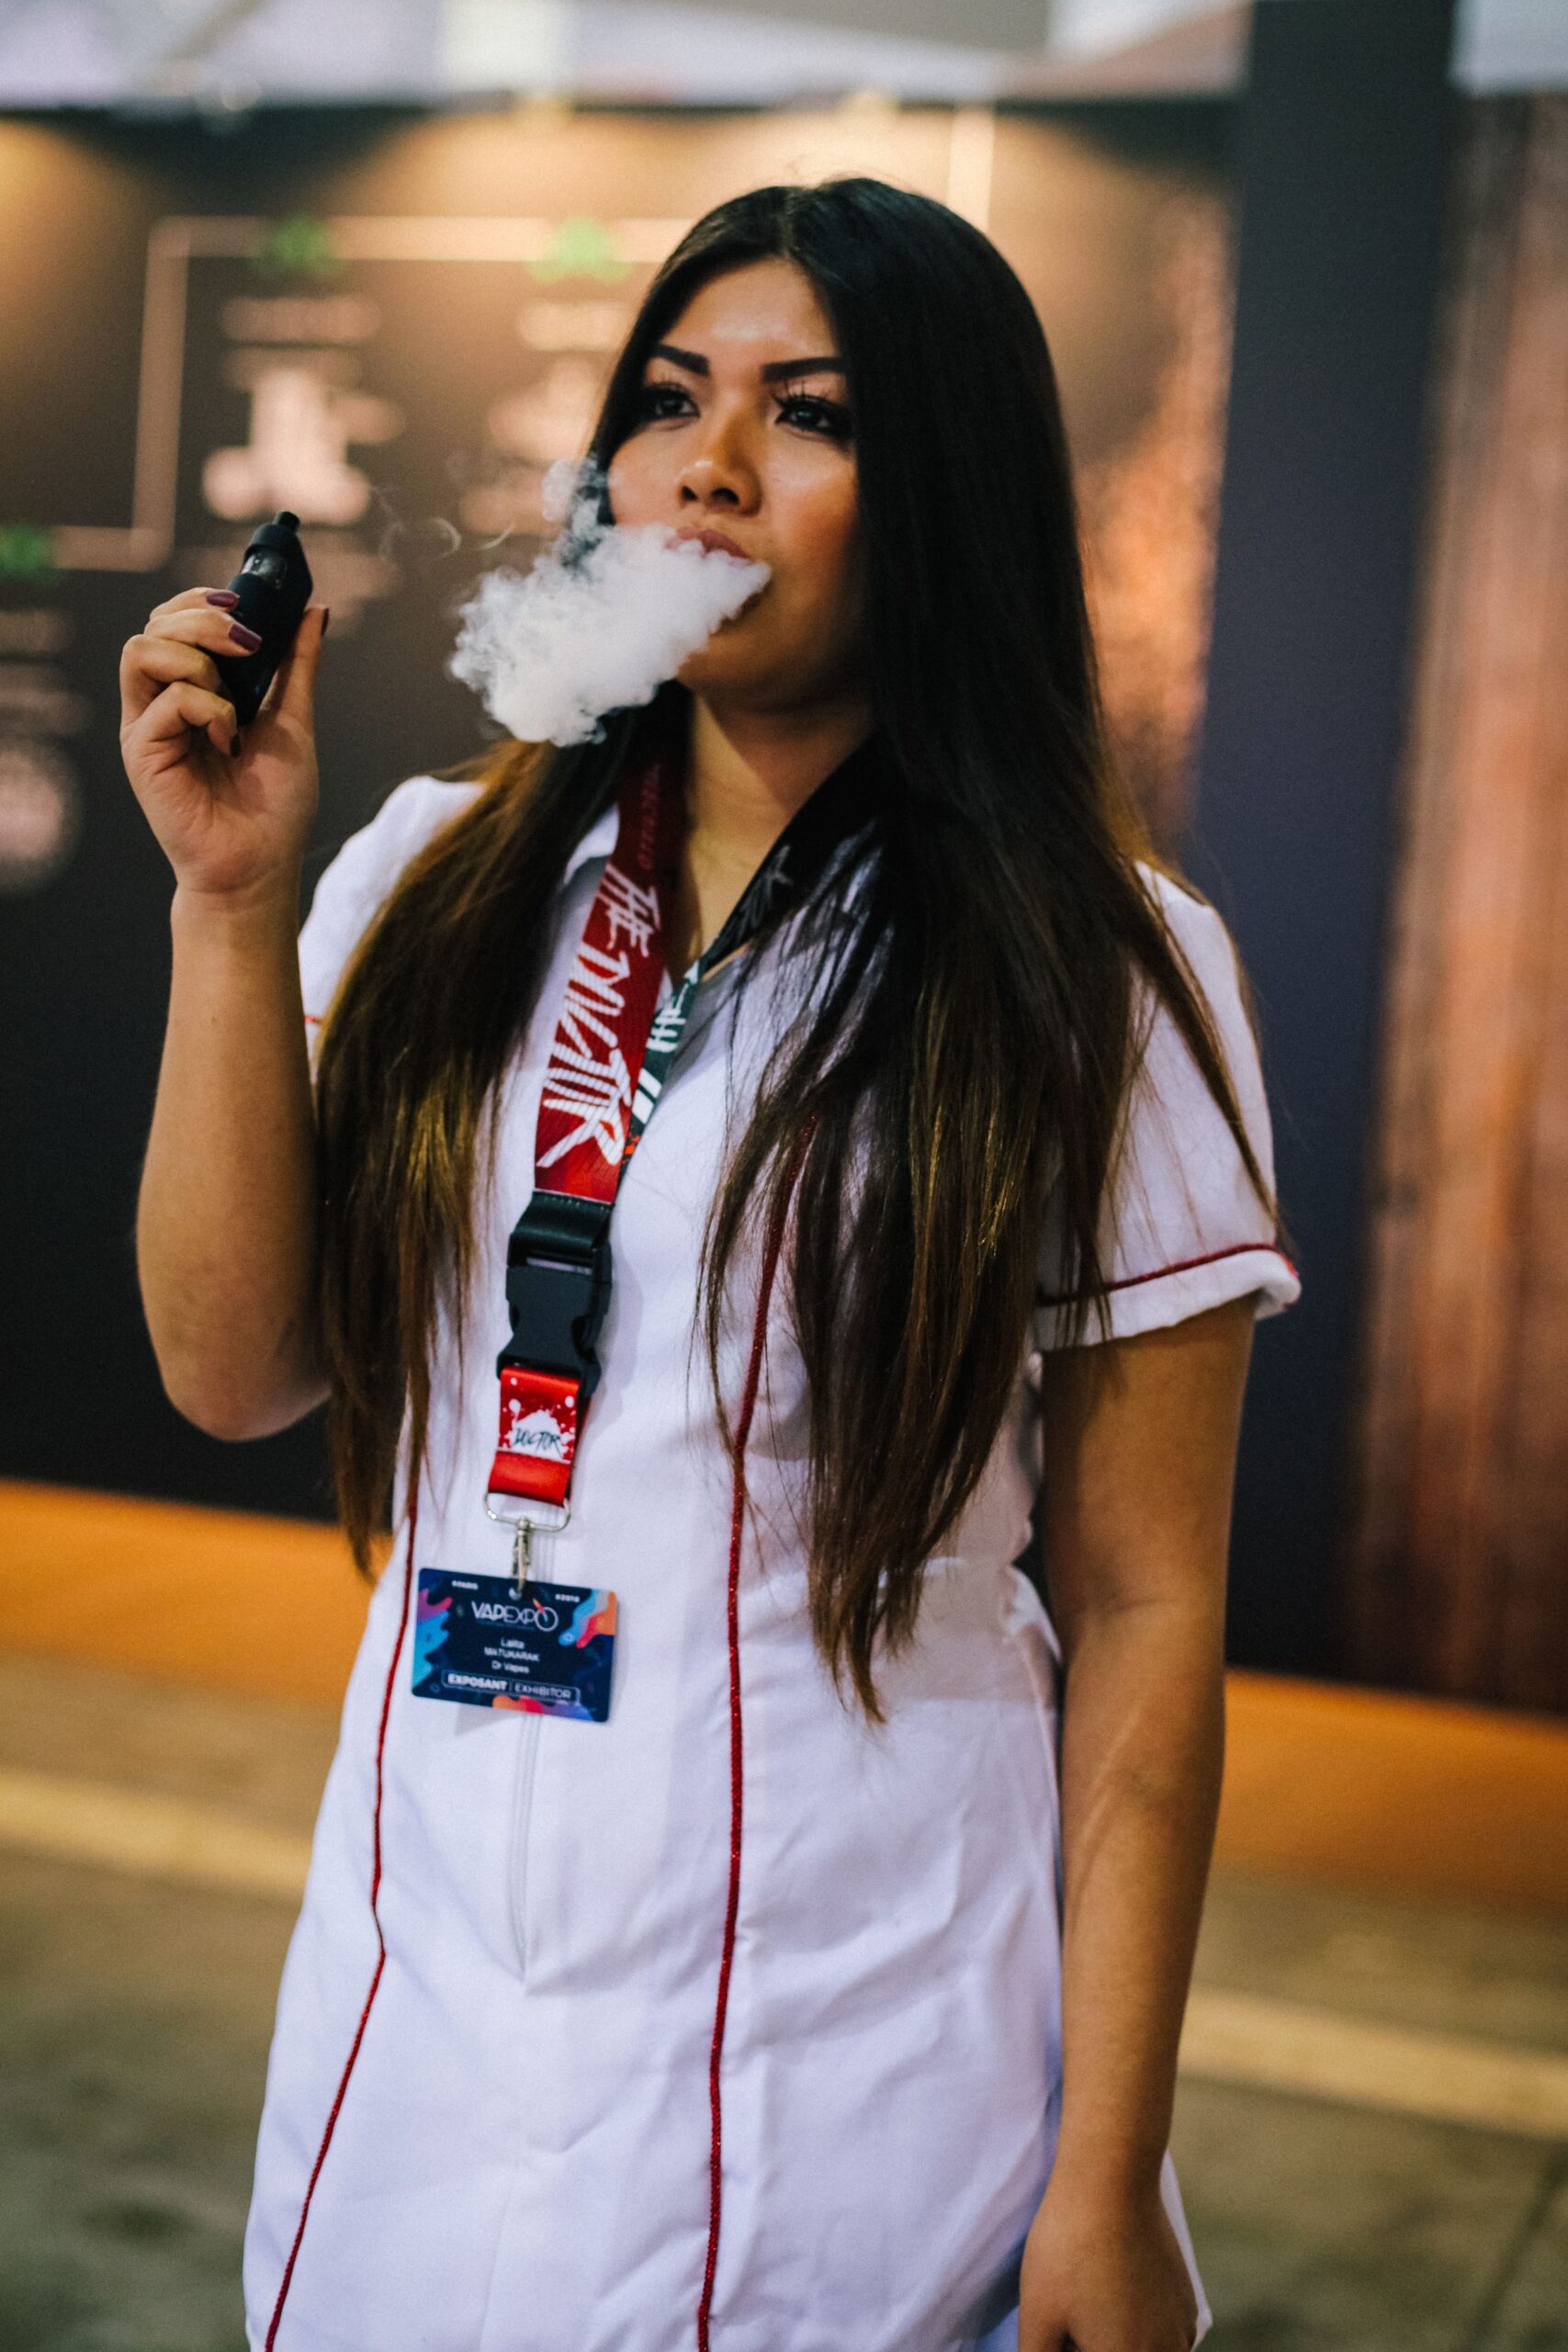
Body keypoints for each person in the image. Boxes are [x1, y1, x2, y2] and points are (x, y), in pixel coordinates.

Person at [122, 176, 1300, 2352]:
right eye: (667, 400)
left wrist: (1107, 2168)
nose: (709, 464)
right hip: (423, 2019)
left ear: (943, 495)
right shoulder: (427, 878)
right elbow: (231, 1362)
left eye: (809, 414)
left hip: (863, 2066)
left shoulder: (1097, 966)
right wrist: (225, 903)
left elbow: (1146, 1601)